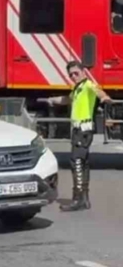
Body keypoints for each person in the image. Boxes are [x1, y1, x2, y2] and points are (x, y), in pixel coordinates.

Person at [43, 61, 112, 211]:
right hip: (78, 131)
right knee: (83, 163)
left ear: (83, 72)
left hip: (83, 130)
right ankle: (84, 199)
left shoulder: (87, 85)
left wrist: (105, 97)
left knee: (77, 162)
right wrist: (53, 100)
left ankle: (78, 199)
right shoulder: (77, 88)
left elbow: (98, 91)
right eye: (71, 75)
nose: (73, 76)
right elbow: (68, 99)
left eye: (76, 73)